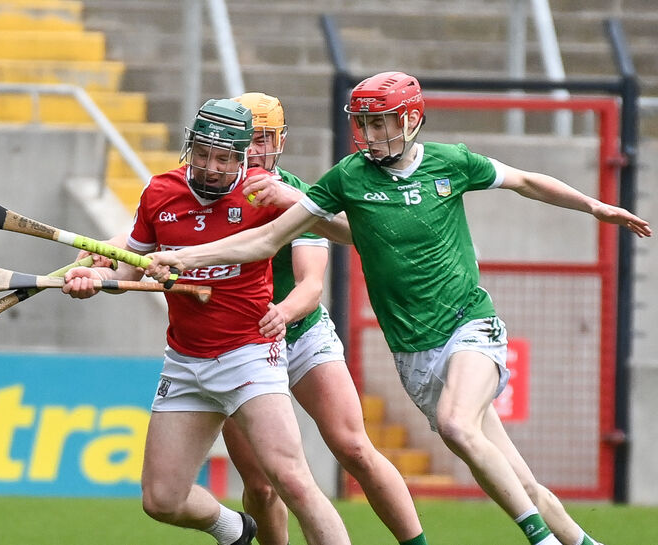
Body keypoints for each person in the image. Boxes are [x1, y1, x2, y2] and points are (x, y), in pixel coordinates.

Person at [143, 72, 652, 545]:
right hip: (403, 350)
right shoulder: (335, 179)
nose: (369, 133)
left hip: (421, 328)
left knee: (415, 435)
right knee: (514, 478)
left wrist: (594, 205)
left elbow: (522, 181)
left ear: (410, 120)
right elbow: (291, 239)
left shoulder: (435, 165)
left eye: (379, 122)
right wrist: (168, 260)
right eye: (362, 123)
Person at [62, 98, 352, 545]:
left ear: (241, 157)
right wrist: (94, 278)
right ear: (189, 147)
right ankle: (234, 528)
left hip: (250, 355)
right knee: (161, 499)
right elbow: (129, 267)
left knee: (291, 480)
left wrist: (300, 201)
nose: (211, 166)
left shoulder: (264, 193)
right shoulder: (160, 192)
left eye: (223, 157)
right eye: (202, 153)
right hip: (185, 361)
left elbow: (351, 232)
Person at [219, 92, 428, 545]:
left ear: (280, 140)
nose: (254, 149)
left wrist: (282, 314)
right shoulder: (208, 190)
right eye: (245, 139)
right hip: (237, 348)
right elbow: (149, 225)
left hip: (300, 334)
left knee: (355, 448)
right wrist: (103, 260)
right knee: (259, 485)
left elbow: (311, 287)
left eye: (263, 138)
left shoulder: (301, 194)